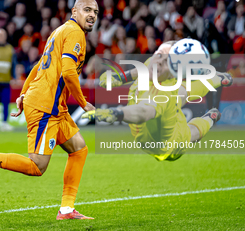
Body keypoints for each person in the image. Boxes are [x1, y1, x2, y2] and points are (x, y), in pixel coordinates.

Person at [0, 0, 98, 220]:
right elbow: (68, 72)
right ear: (74, 11)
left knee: (79, 149)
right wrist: (82, 102)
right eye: (87, 9)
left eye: (95, 12)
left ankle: (67, 209)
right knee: (37, 166)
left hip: (52, 105)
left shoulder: (59, 31)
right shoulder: (75, 33)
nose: (92, 15)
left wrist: (23, 93)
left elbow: (40, 64)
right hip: (45, 106)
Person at [83, 40, 233, 161]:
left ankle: (210, 118)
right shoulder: (155, 62)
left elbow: (143, 111)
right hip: (165, 111)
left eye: (168, 62)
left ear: (172, 74)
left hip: (164, 146)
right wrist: (120, 78)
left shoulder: (161, 95)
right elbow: (141, 69)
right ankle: (218, 78)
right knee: (182, 92)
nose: (160, 62)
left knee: (189, 134)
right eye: (160, 55)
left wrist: (117, 113)